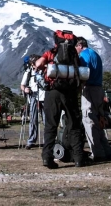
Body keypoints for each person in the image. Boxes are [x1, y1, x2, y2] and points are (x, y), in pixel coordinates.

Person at [35, 32, 84, 169]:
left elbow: (38, 64)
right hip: (70, 93)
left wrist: (45, 68)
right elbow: (81, 73)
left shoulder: (51, 52)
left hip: (53, 92)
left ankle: (47, 158)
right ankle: (78, 158)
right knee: (73, 125)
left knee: (51, 126)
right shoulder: (74, 55)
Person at [75, 37, 111, 162]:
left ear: (80, 45)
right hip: (98, 88)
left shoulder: (84, 55)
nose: (76, 50)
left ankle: (97, 153)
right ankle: (107, 151)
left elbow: (85, 73)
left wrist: (79, 88)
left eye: (76, 47)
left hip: (90, 88)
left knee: (89, 119)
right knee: (98, 120)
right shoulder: (95, 54)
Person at [20, 54, 45, 149]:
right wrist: (25, 89)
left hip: (44, 96)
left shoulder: (45, 70)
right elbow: (22, 85)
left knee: (46, 120)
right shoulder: (29, 71)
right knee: (33, 119)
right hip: (33, 96)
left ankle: (47, 141)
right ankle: (31, 141)